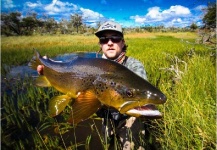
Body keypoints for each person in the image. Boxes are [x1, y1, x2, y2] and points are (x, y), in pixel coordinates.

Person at [37, 21, 149, 150]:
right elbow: (67, 68)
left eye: (115, 38)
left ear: (122, 42)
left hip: (129, 118)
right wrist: (49, 66)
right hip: (106, 118)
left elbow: (140, 94)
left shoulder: (134, 65)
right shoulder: (90, 65)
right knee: (107, 145)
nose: (110, 42)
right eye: (104, 39)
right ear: (100, 45)